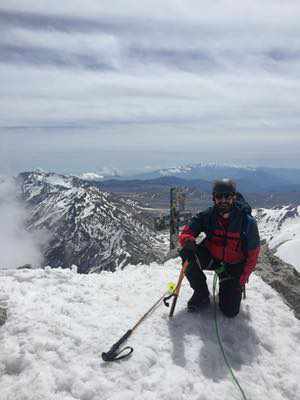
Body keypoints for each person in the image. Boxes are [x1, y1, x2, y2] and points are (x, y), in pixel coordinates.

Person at [179, 179, 260, 317]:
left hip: (233, 267)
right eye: (219, 196)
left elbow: (253, 255)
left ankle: (228, 285)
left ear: (233, 197)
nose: (223, 200)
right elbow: (188, 231)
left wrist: (240, 281)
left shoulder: (247, 222)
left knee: (230, 311)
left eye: (227, 196)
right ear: (213, 198)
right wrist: (187, 240)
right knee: (187, 255)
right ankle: (201, 293)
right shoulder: (208, 216)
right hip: (213, 258)